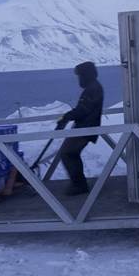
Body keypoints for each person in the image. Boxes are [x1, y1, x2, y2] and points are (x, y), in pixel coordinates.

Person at [56, 61, 104, 195]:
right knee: (72, 153)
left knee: (67, 153)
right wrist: (68, 116)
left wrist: (67, 116)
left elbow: (84, 109)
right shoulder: (93, 87)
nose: (79, 79)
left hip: (87, 127)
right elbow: (84, 108)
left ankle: (79, 185)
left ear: (85, 75)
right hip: (85, 126)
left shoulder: (92, 89)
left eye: (80, 76)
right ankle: (79, 184)